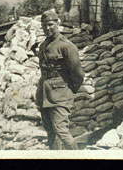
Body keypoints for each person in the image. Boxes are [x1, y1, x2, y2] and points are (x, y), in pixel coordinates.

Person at [35, 10, 84, 150]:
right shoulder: (44, 45)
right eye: (44, 25)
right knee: (50, 131)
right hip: (44, 93)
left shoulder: (66, 46)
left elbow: (78, 73)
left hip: (61, 93)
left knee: (61, 130)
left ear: (58, 23)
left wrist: (70, 90)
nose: (47, 28)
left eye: (50, 24)